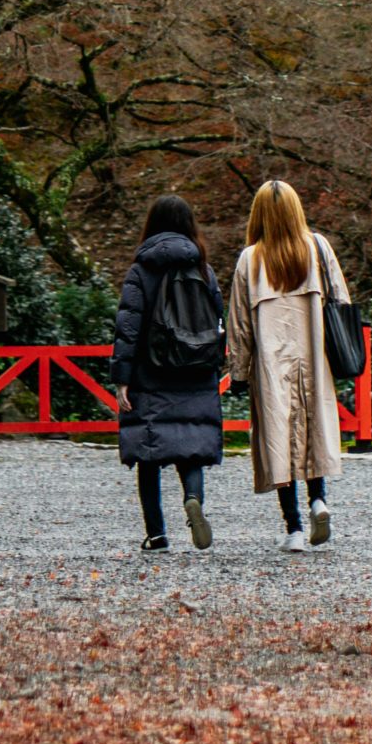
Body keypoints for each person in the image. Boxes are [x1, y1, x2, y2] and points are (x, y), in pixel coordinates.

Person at [226, 179, 352, 552]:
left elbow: (238, 323)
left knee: (278, 437)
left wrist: (237, 370)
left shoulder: (250, 258)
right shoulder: (318, 247)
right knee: (313, 426)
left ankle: (294, 528)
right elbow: (341, 300)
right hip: (315, 356)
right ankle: (319, 500)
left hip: (270, 362)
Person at [111, 193, 224, 553]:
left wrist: (122, 378)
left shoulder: (141, 270)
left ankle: (157, 534)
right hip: (196, 370)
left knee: (149, 451)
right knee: (191, 447)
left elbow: (128, 328)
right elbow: (219, 321)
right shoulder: (204, 269)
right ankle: (193, 498)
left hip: (150, 372)